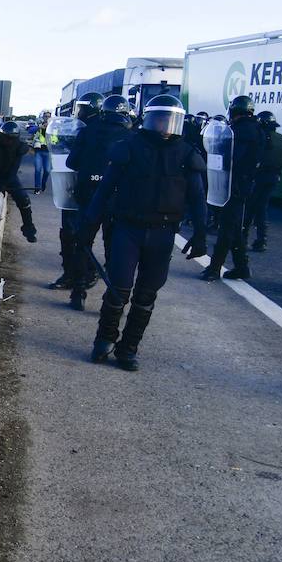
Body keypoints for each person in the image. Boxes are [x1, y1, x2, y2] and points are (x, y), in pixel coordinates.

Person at [82, 94, 207, 371]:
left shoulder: (187, 153)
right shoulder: (128, 146)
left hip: (163, 233)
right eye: (160, 118)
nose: (164, 125)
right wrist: (88, 225)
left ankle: (128, 348)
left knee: (147, 294)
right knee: (118, 288)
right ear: (150, 118)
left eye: (170, 119)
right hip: (128, 228)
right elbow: (105, 189)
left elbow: (198, 197)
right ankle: (104, 339)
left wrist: (201, 235)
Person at [65, 94, 132, 310]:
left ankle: (79, 292)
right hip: (117, 199)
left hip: (88, 196)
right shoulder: (131, 136)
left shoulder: (87, 130)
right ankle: (111, 299)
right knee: (114, 249)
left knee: (83, 244)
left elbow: (71, 161)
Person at [202, 95, 264, 282]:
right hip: (247, 185)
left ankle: (214, 268)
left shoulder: (237, 131)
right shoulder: (258, 130)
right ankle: (241, 267)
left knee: (227, 228)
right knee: (235, 227)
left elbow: (230, 159)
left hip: (233, 185)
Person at [245, 110, 282, 253]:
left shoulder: (259, 138)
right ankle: (262, 240)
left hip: (257, 177)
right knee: (262, 208)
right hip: (273, 178)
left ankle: (242, 238)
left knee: (249, 209)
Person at [32, 113, 53, 193]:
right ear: (43, 117)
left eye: (48, 116)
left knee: (47, 171)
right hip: (39, 151)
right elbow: (31, 130)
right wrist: (39, 127)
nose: (47, 118)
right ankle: (37, 188)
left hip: (48, 152)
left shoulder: (52, 127)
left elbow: (56, 138)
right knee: (38, 170)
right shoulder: (39, 126)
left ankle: (43, 184)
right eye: (46, 116)